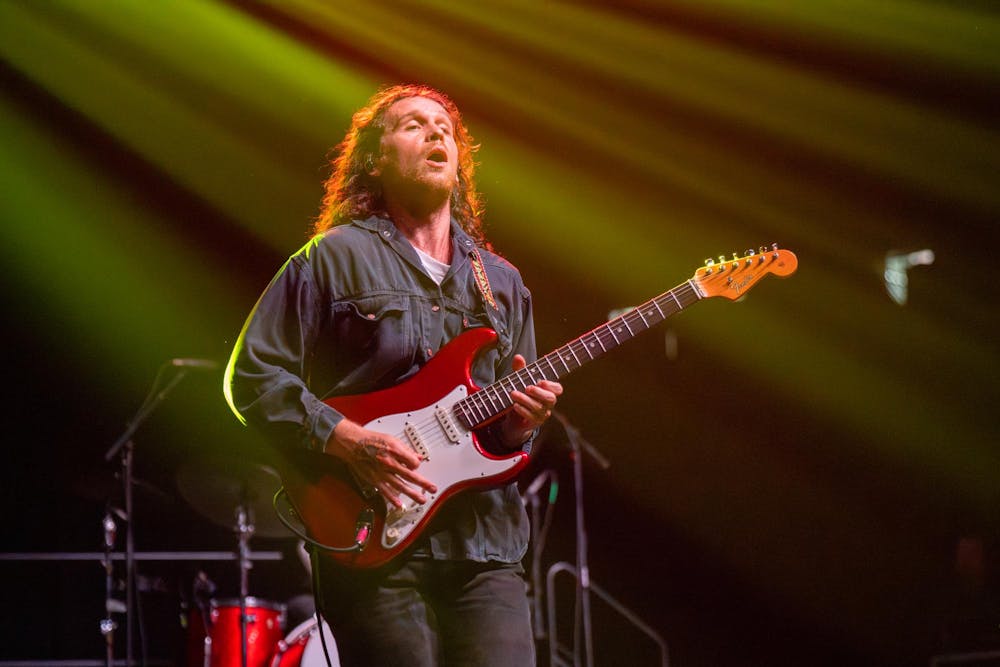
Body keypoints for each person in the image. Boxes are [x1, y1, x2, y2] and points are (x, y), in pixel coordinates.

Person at [225, 84, 562, 666]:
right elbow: (253, 374)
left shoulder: (502, 284)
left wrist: (517, 428)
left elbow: (512, 437)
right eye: (413, 125)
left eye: (445, 128)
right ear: (376, 159)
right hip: (370, 542)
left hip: (483, 548)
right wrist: (347, 440)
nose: (436, 134)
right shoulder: (331, 257)